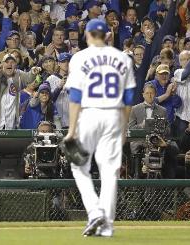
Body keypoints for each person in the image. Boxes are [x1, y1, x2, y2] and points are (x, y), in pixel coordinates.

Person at [63, 19, 136, 237]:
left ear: (87, 34)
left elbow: (75, 97)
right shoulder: (123, 58)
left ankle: (94, 211)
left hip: (89, 114)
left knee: (79, 167)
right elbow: (129, 98)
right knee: (110, 172)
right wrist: (123, 129)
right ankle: (106, 225)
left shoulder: (79, 57)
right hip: (114, 115)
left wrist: (72, 130)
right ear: (107, 36)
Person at [129, 82, 179, 179]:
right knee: (135, 148)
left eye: (151, 93)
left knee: (172, 149)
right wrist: (141, 125)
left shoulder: (163, 110)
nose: (150, 95)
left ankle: (167, 183)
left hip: (157, 141)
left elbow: (168, 130)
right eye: (147, 93)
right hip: (141, 141)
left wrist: (161, 127)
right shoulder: (135, 109)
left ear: (155, 94)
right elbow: (130, 129)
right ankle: (137, 178)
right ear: (143, 95)